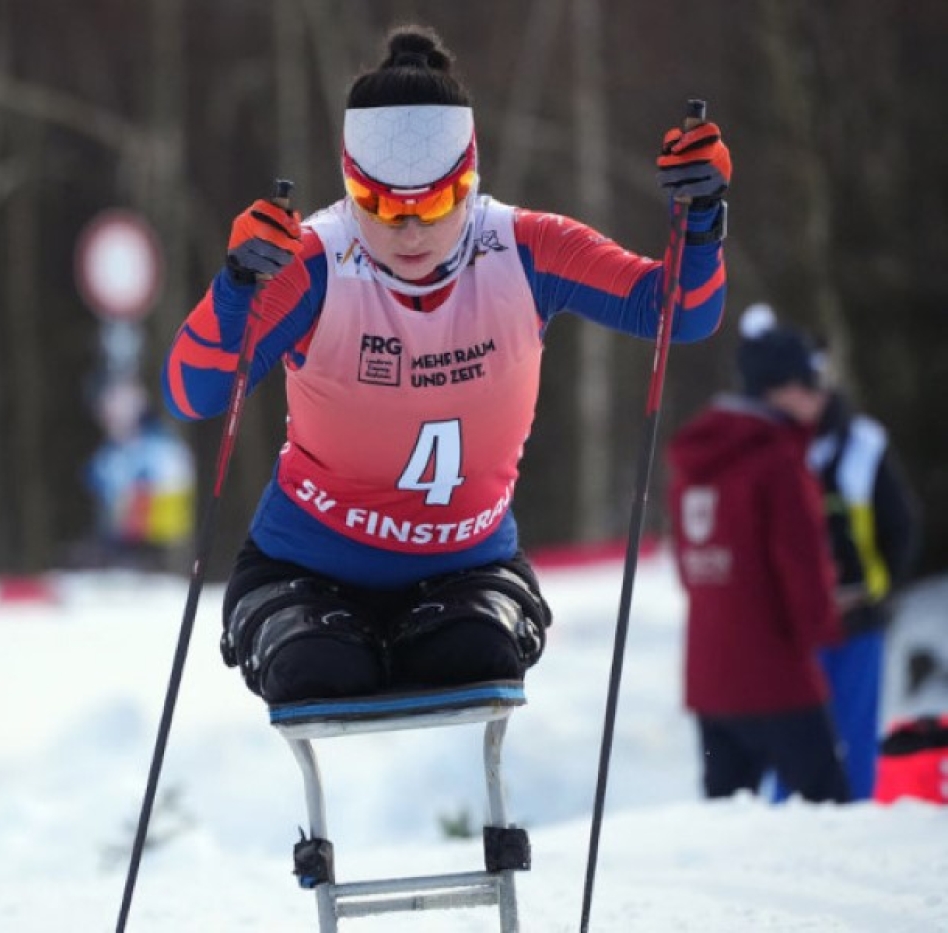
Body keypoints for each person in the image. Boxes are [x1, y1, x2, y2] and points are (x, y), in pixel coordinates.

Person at [161, 24, 730, 705]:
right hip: (304, 568)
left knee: (474, 657)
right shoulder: (312, 261)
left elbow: (677, 314)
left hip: (466, 570)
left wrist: (699, 222)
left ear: (469, 180)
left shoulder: (526, 248)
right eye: (377, 203)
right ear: (348, 182)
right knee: (319, 671)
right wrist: (235, 288)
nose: (409, 231)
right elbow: (192, 392)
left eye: (433, 202)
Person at [666, 306, 849, 803]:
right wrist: (826, 627)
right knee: (833, 815)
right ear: (783, 389)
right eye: (812, 382)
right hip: (778, 676)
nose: (821, 395)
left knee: (727, 824)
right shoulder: (778, 462)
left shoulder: (695, 459)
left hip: (710, 676)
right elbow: (802, 565)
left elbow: (687, 564)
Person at [799, 335, 920, 800]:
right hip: (799, 624)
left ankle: (854, 817)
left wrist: (875, 589)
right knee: (795, 736)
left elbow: (901, 528)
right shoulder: (773, 445)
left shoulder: (862, 444)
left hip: (856, 619)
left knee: (854, 734)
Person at [74, 380, 196, 573]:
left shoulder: (150, 444)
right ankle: (120, 554)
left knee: (126, 494)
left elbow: (116, 477)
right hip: (156, 522)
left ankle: (124, 556)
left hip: (155, 525)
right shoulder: (144, 442)